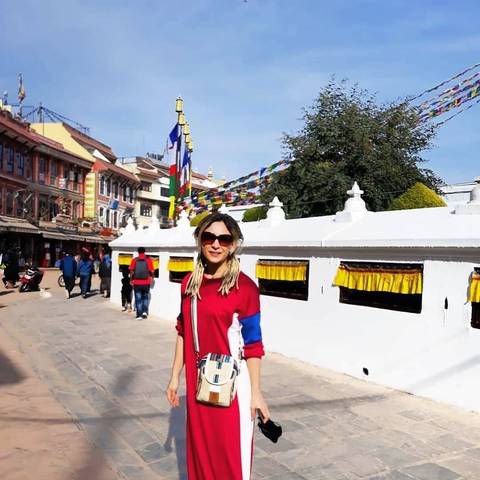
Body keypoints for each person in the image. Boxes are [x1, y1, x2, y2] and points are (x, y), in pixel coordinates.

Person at [166, 212, 270, 480]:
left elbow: (254, 344)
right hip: (199, 383)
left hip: (232, 389)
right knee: (201, 455)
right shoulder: (190, 283)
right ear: (200, 240)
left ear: (233, 244)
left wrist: (256, 393)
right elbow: (183, 331)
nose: (216, 244)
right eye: (209, 237)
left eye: (224, 239)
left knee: (229, 459)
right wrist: (174, 377)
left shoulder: (244, 288)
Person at [129, 247, 154, 320]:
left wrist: (131, 280)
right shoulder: (148, 260)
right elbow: (152, 271)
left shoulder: (134, 260)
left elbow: (131, 271)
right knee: (145, 297)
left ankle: (139, 315)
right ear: (144, 252)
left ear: (138, 252)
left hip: (137, 282)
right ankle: (144, 312)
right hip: (146, 282)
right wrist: (152, 277)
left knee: (138, 298)